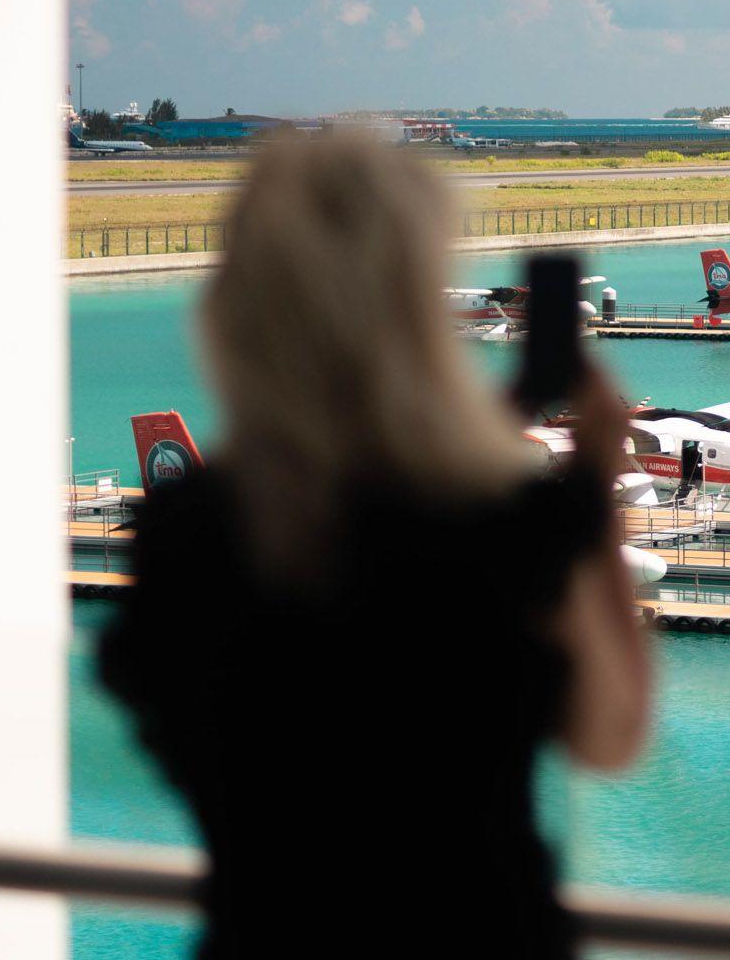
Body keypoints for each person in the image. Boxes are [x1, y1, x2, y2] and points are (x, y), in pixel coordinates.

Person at [100, 137, 652, 957]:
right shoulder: (499, 523)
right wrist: (591, 499)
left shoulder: (188, 532)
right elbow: (612, 735)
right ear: (416, 306)